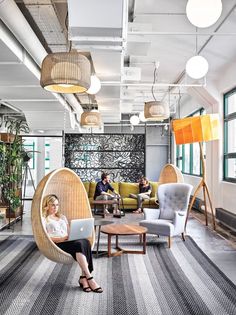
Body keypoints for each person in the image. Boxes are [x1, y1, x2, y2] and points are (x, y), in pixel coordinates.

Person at [42, 194, 103, 293]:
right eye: (53, 205)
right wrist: (62, 238)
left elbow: (69, 232)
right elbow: (46, 238)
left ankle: (83, 278)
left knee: (85, 241)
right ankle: (89, 277)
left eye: (57, 205)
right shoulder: (44, 219)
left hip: (68, 241)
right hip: (57, 244)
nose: (55, 207)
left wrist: (73, 236)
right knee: (79, 245)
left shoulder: (62, 217)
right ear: (46, 206)